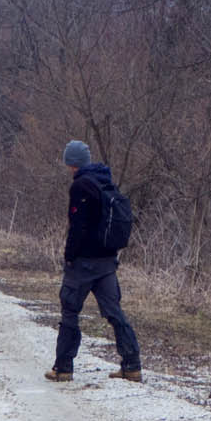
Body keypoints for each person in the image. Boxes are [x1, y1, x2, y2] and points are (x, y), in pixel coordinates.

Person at [47, 140, 141, 382]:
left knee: (69, 312)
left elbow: (78, 227)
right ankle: (132, 366)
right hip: (107, 262)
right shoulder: (105, 181)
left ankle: (63, 368)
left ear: (72, 163)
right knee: (114, 313)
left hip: (83, 264)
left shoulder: (81, 186)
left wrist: (69, 256)